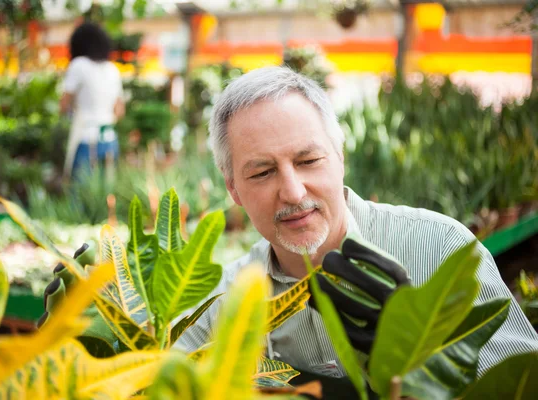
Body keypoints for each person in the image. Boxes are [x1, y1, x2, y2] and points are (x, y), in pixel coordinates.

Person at [174, 66, 538, 378]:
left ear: (339, 156)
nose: (294, 192)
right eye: (263, 172)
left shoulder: (443, 250)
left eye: (309, 160)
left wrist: (426, 360)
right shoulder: (223, 303)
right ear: (234, 189)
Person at [60, 22, 125, 180]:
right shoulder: (112, 69)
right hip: (109, 139)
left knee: (80, 197)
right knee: (105, 196)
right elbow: (119, 111)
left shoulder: (78, 65)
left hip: (85, 139)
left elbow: (63, 105)